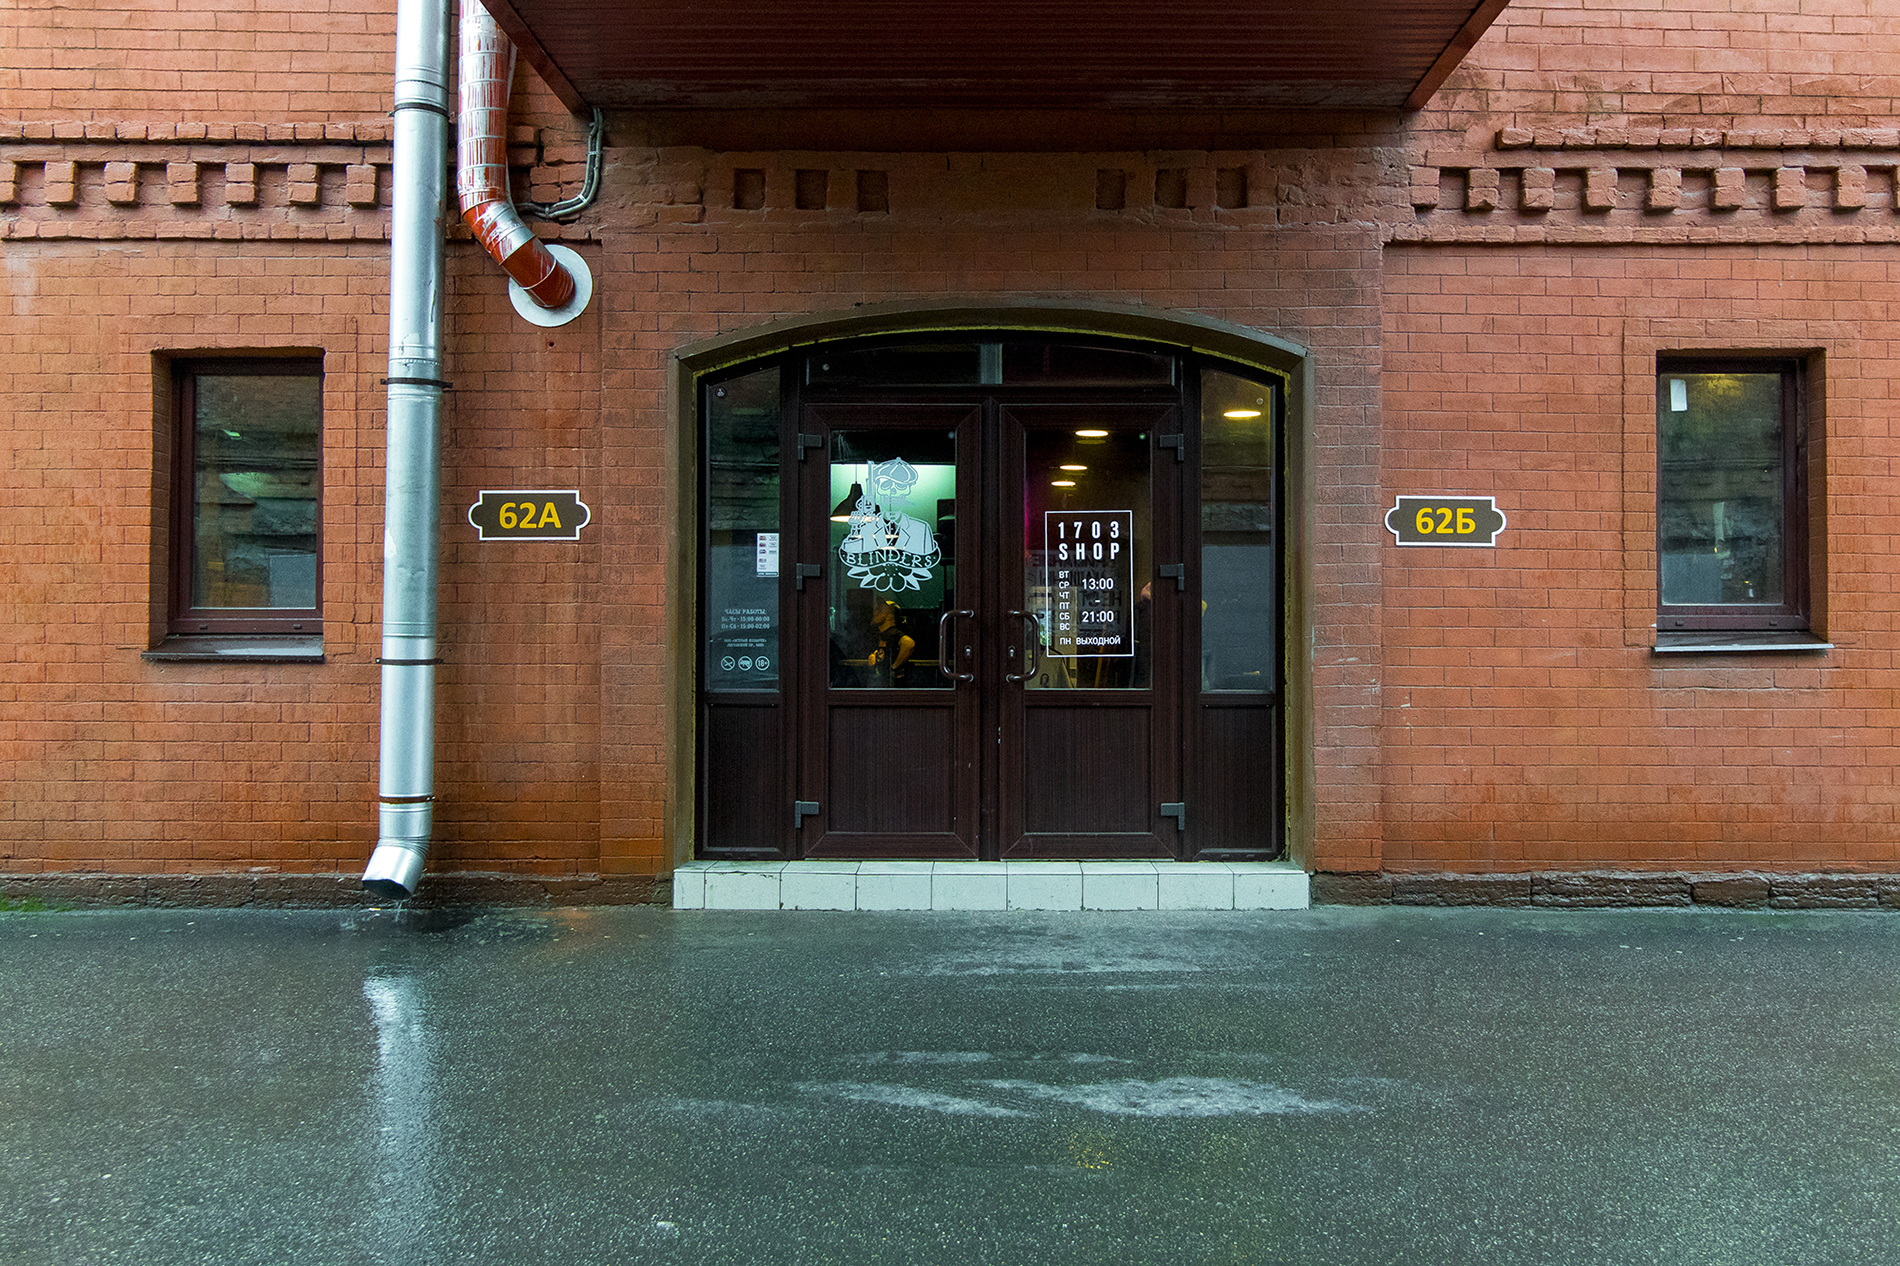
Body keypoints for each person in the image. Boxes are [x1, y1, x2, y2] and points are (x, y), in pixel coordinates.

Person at [867, 601, 915, 686]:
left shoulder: (893, 633)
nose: (875, 613)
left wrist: (893, 668)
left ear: (889, 616)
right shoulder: (881, 635)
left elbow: (909, 644)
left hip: (894, 685)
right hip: (884, 683)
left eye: (880, 611)